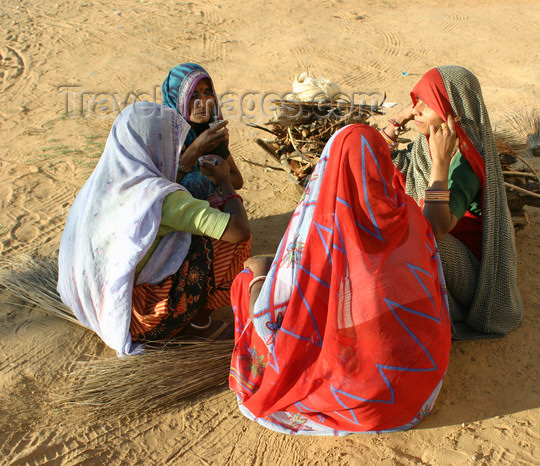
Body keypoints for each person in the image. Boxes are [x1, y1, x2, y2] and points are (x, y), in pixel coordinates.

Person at [228, 124, 451, 435]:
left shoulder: (320, 235)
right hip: (412, 383)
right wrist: (440, 169)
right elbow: (435, 226)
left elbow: (268, 322)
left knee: (251, 273)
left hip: (356, 393)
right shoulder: (408, 217)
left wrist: (257, 279)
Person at [57, 102, 251, 355]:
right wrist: (225, 182)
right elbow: (239, 231)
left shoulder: (101, 187)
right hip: (140, 320)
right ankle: (196, 321)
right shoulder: (161, 197)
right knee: (226, 241)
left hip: (97, 306)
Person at [380, 66, 524, 340]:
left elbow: (433, 228)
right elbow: (379, 161)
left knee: (416, 233)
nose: (416, 109)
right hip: (443, 258)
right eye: (416, 101)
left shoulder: (466, 165)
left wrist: (441, 164)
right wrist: (395, 123)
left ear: (452, 114)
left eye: (427, 103)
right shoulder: (428, 143)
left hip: (468, 278)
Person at [161, 63, 243, 204]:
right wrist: (196, 149)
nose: (203, 102)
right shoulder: (162, 134)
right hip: (168, 211)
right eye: (193, 96)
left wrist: (212, 179)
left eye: (207, 93)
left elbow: (237, 179)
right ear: (176, 97)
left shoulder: (205, 130)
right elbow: (162, 187)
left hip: (201, 211)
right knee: (194, 182)